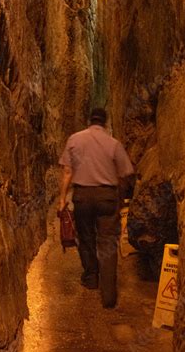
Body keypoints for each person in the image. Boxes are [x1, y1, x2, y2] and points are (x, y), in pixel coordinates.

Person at [58, 108, 135, 308]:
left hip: (82, 196)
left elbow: (67, 171)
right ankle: (108, 295)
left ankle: (91, 278)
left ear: (89, 120)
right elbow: (126, 171)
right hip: (106, 197)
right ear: (105, 123)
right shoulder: (114, 143)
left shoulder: (74, 140)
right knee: (107, 242)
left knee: (85, 237)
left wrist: (62, 199)